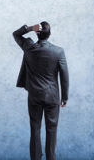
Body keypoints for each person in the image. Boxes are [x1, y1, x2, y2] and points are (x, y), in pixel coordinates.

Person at [13, 21, 69, 160]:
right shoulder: (58, 51)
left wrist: (31, 28)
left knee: (35, 129)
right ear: (50, 34)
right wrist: (65, 97)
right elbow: (64, 75)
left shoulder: (28, 47)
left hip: (34, 96)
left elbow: (16, 34)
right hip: (52, 96)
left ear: (37, 34)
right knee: (51, 130)